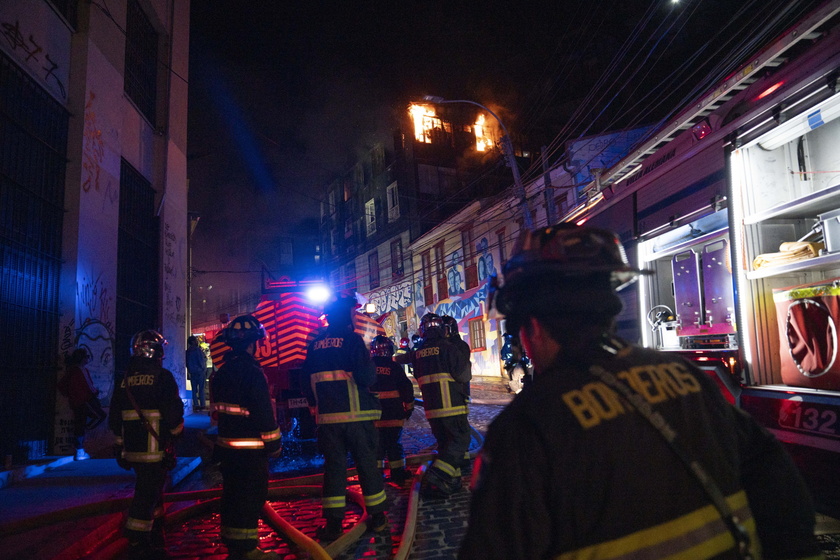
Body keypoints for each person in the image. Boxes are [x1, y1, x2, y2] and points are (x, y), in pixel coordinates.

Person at [458, 225, 825, 560]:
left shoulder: (527, 426)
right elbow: (779, 490)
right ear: (608, 310)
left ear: (531, 327)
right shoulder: (689, 378)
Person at [302, 296, 389, 541]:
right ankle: (379, 518)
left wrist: (313, 406)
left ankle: (333, 524)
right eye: (352, 313)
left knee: (334, 470)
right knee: (366, 465)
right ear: (345, 317)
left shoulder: (315, 344)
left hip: (328, 421)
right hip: (357, 417)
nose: (355, 317)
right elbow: (366, 378)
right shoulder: (352, 341)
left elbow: (304, 380)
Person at [210, 314, 282, 560]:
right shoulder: (252, 372)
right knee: (250, 497)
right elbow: (262, 412)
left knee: (231, 495)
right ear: (254, 343)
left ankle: (233, 545)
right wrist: (274, 443)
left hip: (227, 449)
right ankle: (248, 550)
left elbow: (218, 413)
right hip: (250, 451)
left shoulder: (221, 372)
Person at [109, 330, 184, 560]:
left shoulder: (125, 380)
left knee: (152, 495)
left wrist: (120, 448)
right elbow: (173, 415)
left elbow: (115, 417)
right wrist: (176, 434)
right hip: (156, 451)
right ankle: (137, 542)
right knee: (145, 496)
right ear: (156, 351)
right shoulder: (162, 377)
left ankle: (155, 537)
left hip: (133, 452)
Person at [397, 313, 470, 499]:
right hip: (452, 405)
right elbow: (463, 376)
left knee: (445, 445)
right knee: (460, 440)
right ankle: (437, 476)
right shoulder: (448, 348)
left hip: (432, 408)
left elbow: (406, 361)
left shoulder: (418, 353)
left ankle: (451, 482)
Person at [369, 335, 415, 485]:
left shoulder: (367, 367)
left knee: (376, 446)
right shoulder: (394, 367)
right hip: (394, 414)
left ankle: (375, 475)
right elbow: (406, 387)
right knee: (394, 444)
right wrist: (409, 407)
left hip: (373, 416)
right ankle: (398, 473)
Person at [60, 348, 107, 460]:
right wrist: (94, 392)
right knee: (99, 416)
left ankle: (79, 450)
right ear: (82, 359)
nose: (87, 359)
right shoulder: (79, 370)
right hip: (84, 401)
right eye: (86, 357)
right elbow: (88, 386)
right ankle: (80, 448)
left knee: (79, 424)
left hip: (79, 401)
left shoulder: (75, 370)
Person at [186, 335, 207, 411]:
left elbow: (187, 363)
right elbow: (201, 361)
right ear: (193, 342)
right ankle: (202, 404)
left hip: (192, 372)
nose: (197, 342)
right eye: (195, 340)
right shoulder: (198, 350)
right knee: (201, 389)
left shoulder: (188, 351)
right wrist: (204, 369)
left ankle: (196, 404)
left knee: (194, 389)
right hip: (200, 372)